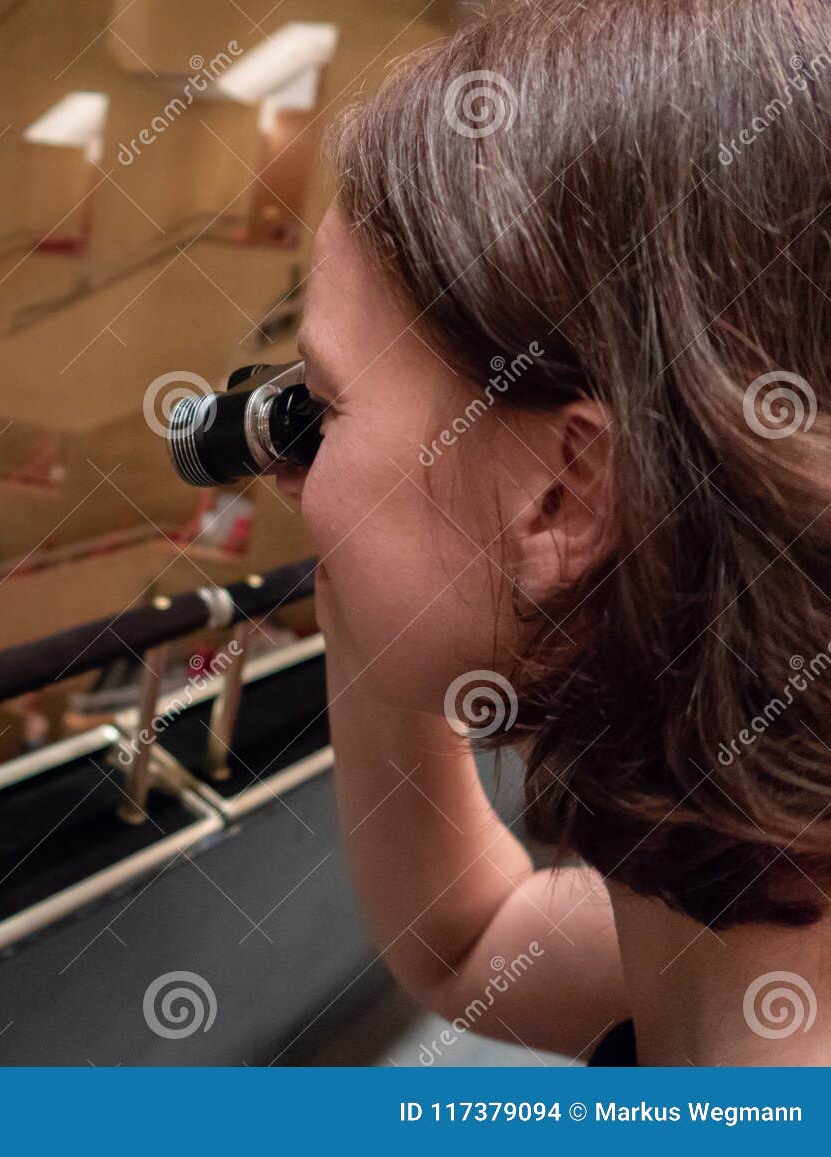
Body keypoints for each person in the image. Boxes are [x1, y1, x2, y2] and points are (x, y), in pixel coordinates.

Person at [277, 0, 831, 1064]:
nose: (300, 462)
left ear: (565, 494)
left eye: (326, 404)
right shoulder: (765, 899)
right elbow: (467, 938)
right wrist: (359, 583)